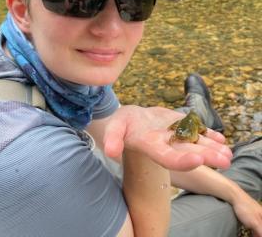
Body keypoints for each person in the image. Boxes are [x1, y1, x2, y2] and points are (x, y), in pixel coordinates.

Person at [0, 0, 233, 237]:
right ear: (21, 11)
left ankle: (198, 112)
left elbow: (121, 134)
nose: (110, 30)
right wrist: (143, 154)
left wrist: (238, 197)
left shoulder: (52, 64)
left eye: (134, 0)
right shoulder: (30, 156)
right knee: (244, 175)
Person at [96, 73, 262, 237]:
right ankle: (253, 154)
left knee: (164, 128)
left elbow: (110, 131)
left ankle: (197, 112)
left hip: (117, 193)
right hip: (136, 225)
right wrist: (140, 155)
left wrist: (236, 194)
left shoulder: (82, 91)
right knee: (242, 180)